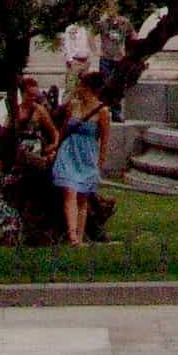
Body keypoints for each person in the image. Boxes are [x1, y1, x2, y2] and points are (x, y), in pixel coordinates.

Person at [51, 71, 111, 245]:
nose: (78, 89)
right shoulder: (73, 106)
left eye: (81, 86)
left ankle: (80, 233)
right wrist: (56, 147)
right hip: (69, 151)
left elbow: (104, 140)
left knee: (82, 197)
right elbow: (63, 130)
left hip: (87, 155)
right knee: (69, 190)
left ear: (89, 89)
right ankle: (72, 236)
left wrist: (100, 162)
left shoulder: (102, 111)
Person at [61, 22, 93, 101]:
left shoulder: (86, 28)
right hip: (75, 61)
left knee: (84, 89)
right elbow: (67, 44)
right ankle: (65, 108)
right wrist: (70, 60)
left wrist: (89, 58)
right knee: (70, 88)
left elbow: (89, 44)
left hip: (85, 62)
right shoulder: (70, 28)